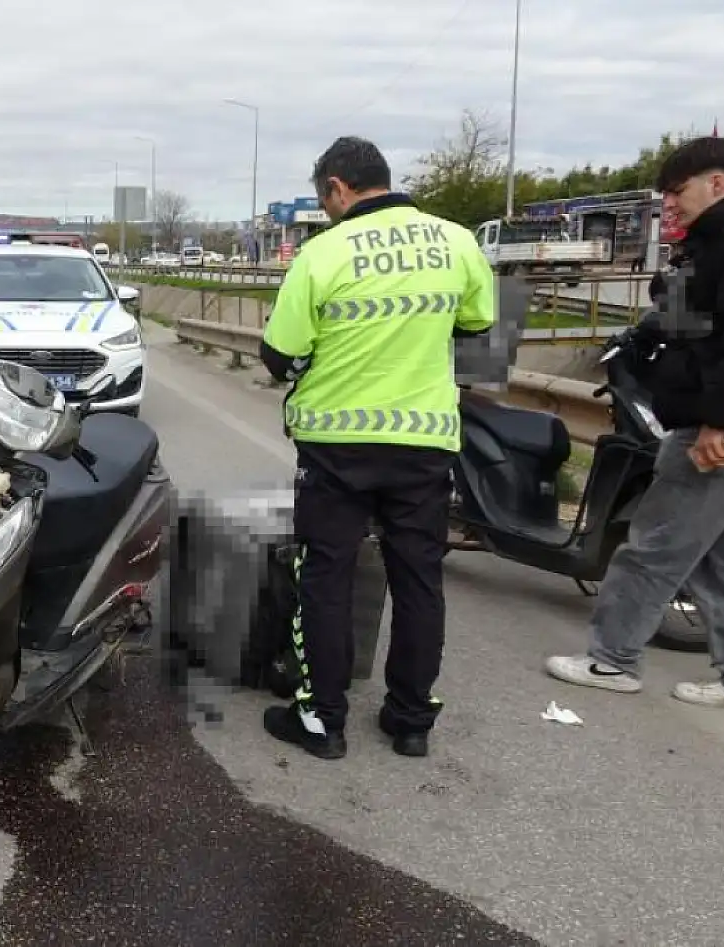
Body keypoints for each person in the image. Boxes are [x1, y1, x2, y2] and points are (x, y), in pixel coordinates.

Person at [545, 137, 724, 715]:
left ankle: (611, 659)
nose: (671, 202)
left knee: (654, 545)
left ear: (716, 184)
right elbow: (696, 325)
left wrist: (719, 421)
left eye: (677, 190)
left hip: (722, 428)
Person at [259, 137, 496, 760]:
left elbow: (277, 354)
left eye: (324, 200)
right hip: (424, 441)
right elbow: (478, 326)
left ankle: (323, 720)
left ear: (338, 188)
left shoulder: (322, 253)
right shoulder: (457, 242)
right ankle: (411, 721)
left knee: (327, 576)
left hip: (336, 445)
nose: (327, 211)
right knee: (419, 577)